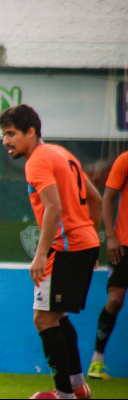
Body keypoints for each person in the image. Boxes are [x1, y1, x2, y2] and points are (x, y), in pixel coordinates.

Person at [0, 105, 100, 400]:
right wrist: (87, 234)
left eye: (11, 133)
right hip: (82, 244)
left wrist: (41, 254)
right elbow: (94, 198)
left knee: (43, 319)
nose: (6, 141)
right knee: (56, 315)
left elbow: (54, 207)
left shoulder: (37, 161)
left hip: (65, 247)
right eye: (4, 134)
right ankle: (78, 387)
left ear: (31, 132)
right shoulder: (61, 153)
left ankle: (64, 393)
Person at [88, 150, 128, 380]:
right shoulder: (124, 160)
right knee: (114, 301)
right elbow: (108, 198)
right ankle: (97, 359)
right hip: (123, 245)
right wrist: (110, 236)